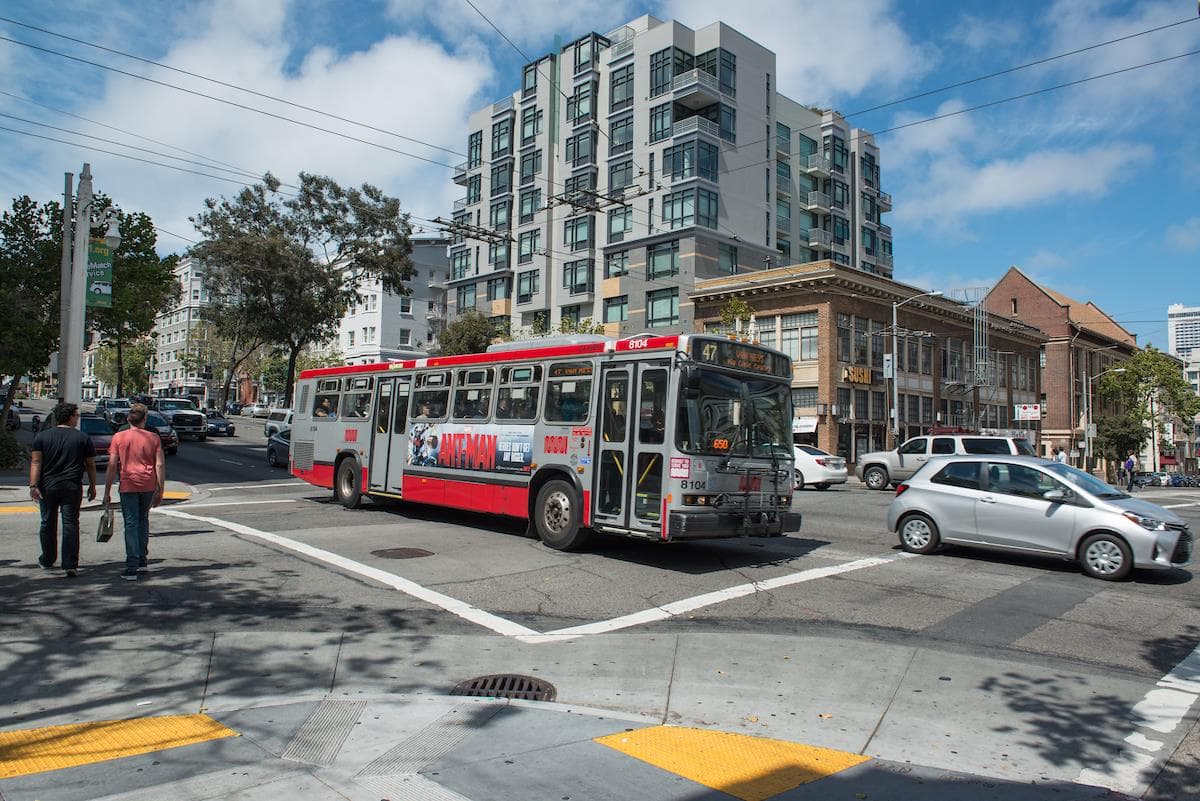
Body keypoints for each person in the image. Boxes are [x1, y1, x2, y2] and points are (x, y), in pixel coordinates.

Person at [29, 403, 97, 577]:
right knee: (70, 524)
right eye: (76, 415)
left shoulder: (42, 437)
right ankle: (70, 564)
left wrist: (33, 485)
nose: (78, 418)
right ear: (70, 417)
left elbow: (36, 462)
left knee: (47, 522)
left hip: (47, 487)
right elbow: (90, 464)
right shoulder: (82, 438)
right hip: (72, 487)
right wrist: (92, 485)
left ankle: (47, 559)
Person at [103, 403, 165, 581]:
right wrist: (160, 488)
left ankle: (132, 565)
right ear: (144, 418)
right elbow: (159, 464)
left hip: (128, 483)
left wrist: (107, 490)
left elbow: (112, 465)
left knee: (131, 524)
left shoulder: (119, 437)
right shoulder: (153, 438)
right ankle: (142, 560)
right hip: (148, 484)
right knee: (142, 520)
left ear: (129, 419)